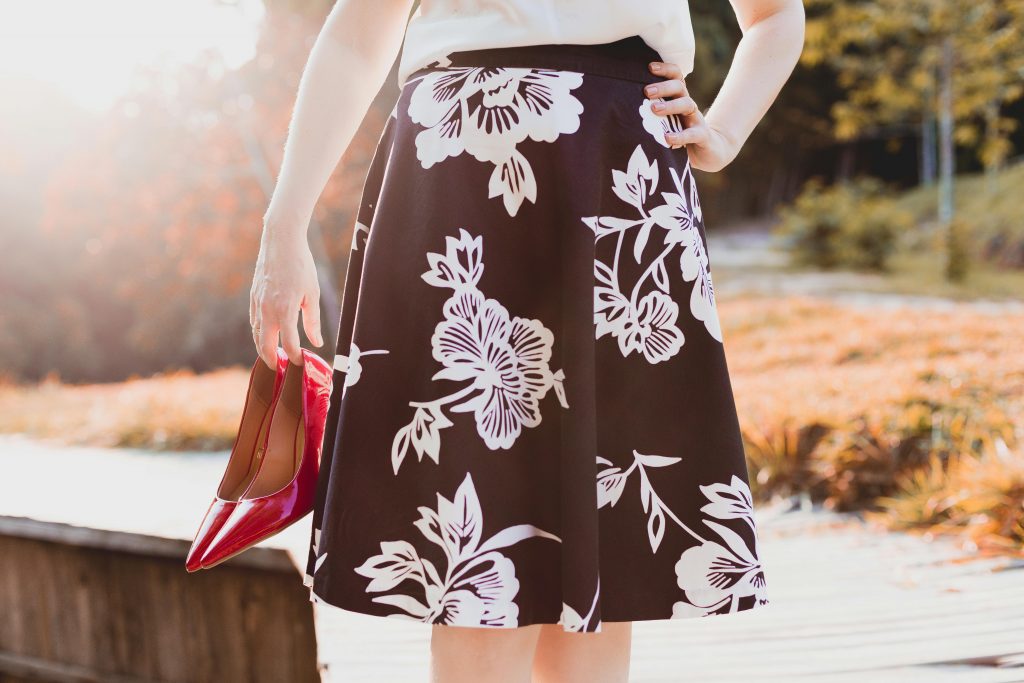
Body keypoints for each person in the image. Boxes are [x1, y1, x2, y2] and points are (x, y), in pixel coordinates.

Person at [249, 1, 805, 681]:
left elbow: (776, 15)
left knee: (599, 565)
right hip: (455, 172)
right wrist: (284, 223)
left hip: (614, 167)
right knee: (475, 561)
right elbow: (356, 41)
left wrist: (725, 130)